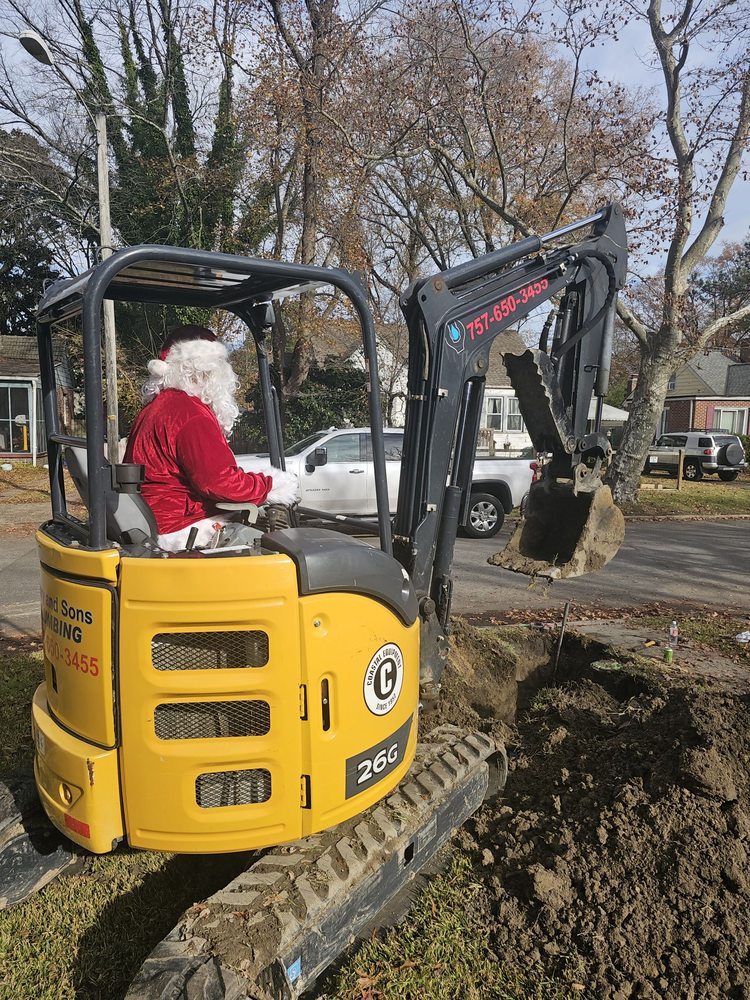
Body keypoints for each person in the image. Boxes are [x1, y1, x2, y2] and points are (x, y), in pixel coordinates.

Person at [124, 325, 298, 551]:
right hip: (181, 528)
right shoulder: (191, 414)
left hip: (153, 519)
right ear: (210, 372)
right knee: (274, 551)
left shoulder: (155, 408)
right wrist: (272, 485)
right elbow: (218, 482)